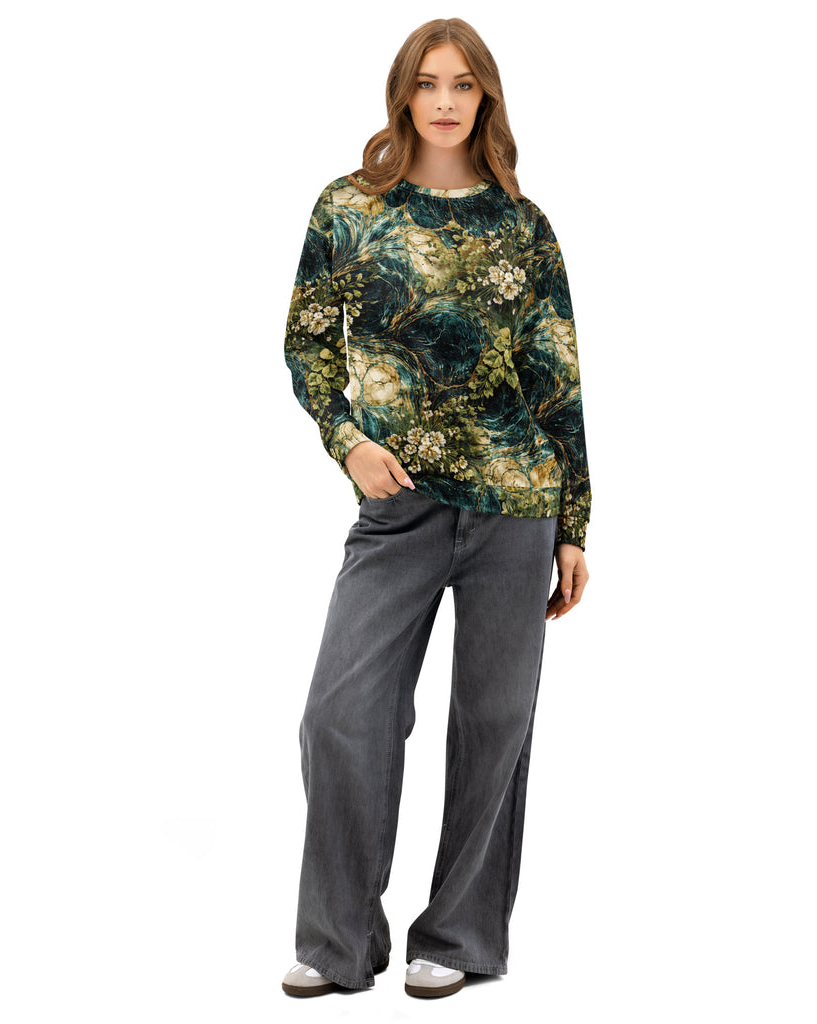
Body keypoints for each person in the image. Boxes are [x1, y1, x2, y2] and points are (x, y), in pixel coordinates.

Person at [280, 17, 591, 1000]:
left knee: (494, 724)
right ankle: (338, 944)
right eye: (428, 83)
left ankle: (456, 937)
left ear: (485, 96)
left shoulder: (522, 225)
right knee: (340, 717)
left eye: (463, 84)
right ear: (402, 94)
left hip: (515, 502)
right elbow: (308, 344)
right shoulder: (349, 207)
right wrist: (347, 441)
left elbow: (556, 380)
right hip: (398, 506)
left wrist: (574, 525)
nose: (446, 101)